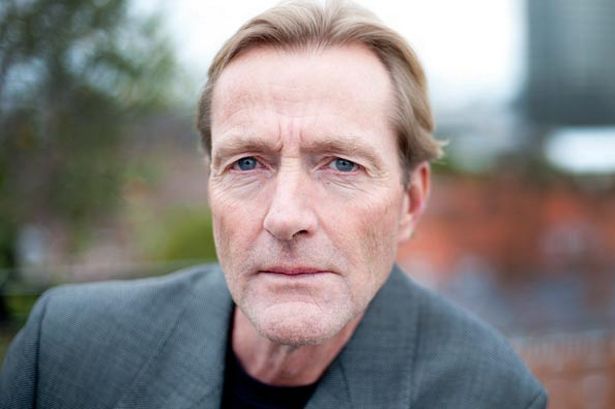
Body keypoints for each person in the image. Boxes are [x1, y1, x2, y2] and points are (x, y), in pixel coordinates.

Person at [0, 1, 547, 408]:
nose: (285, 217)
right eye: (246, 163)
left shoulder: (491, 394)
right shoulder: (65, 350)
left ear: (411, 201)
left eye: (341, 165)